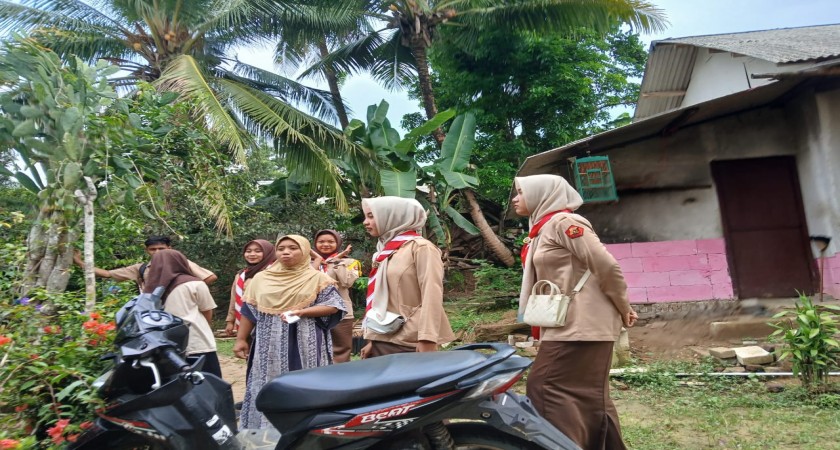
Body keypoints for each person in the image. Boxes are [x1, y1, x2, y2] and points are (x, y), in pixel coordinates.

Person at [512, 174, 637, 450]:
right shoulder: (542, 228)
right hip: (568, 322)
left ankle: (562, 444)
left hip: (582, 323)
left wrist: (623, 306)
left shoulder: (565, 223)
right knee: (590, 396)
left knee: (545, 386)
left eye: (521, 192)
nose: (515, 199)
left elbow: (607, 266)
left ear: (542, 194)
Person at [233, 235, 346, 429]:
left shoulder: (317, 278)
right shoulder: (261, 279)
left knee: (306, 381)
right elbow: (249, 311)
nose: (286, 252)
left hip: (306, 340)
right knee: (267, 380)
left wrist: (303, 312)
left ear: (305, 251)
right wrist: (241, 339)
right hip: (268, 343)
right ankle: (265, 427)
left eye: (293, 248)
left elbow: (333, 305)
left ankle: (307, 426)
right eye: (281, 248)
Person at [359, 197, 454, 358]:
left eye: (371, 216)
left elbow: (432, 293)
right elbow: (381, 300)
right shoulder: (384, 251)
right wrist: (371, 340)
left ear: (393, 216)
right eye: (366, 216)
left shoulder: (421, 248)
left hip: (409, 340)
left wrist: (427, 338)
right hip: (383, 336)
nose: (365, 222)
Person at [143, 249, 222, 378]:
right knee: (209, 381)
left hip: (167, 346)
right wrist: (205, 327)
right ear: (182, 262)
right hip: (197, 341)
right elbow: (207, 310)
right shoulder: (195, 284)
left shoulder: (150, 289)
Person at [74, 236, 217, 292]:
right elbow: (107, 274)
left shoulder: (182, 263)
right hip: (154, 312)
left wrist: (188, 291)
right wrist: (79, 262)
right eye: (153, 249)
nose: (157, 252)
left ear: (169, 248)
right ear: (147, 251)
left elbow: (210, 277)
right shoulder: (141, 268)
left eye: (161, 249)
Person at [310, 229, 361, 363]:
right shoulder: (308, 262)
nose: (326, 244)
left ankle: (340, 374)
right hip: (312, 310)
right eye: (321, 241)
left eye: (330, 242)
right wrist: (317, 261)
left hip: (341, 311)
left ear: (337, 243)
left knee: (341, 349)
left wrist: (336, 261)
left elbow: (347, 282)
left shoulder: (349, 262)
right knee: (314, 348)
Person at [224, 239, 277, 336]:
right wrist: (230, 321)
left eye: (258, 251)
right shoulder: (241, 275)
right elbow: (234, 299)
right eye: (248, 251)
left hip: (270, 319)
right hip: (245, 319)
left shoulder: (275, 272)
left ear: (268, 253)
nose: (252, 254)